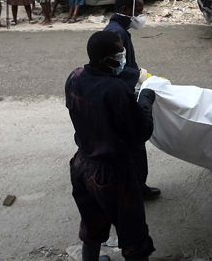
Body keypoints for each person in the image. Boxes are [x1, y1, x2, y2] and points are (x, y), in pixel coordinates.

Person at [66, 31, 156, 261]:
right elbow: (141, 132)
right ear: (107, 61)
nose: (122, 60)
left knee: (92, 224)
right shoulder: (115, 90)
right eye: (119, 55)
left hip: (81, 164)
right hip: (111, 173)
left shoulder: (74, 77)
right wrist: (145, 102)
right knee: (134, 235)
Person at [103, 0, 161, 200]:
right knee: (134, 145)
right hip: (121, 95)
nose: (141, 16)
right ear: (126, 10)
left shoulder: (121, 29)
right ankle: (136, 189)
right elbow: (113, 67)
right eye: (139, 12)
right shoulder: (116, 33)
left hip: (123, 91)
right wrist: (139, 75)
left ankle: (134, 186)